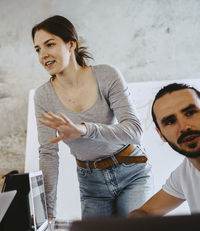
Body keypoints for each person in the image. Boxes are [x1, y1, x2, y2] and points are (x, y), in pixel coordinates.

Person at [32, 15, 153, 219]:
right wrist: (48, 215)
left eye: (49, 44)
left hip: (131, 172)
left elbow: (134, 131)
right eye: (37, 49)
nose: (43, 54)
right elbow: (48, 154)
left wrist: (84, 129)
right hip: (91, 183)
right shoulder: (43, 96)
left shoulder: (107, 75)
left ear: (71, 44)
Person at [128, 83, 200, 217]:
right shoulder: (185, 172)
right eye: (170, 121)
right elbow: (146, 212)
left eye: (190, 113)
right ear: (161, 135)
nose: (184, 127)